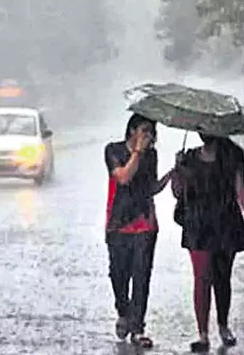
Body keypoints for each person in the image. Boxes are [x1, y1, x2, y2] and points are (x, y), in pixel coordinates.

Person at [171, 133, 244, 353]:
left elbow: (240, 188)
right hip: (197, 224)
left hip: (226, 223)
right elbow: (178, 193)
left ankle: (223, 326)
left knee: (222, 277)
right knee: (202, 278)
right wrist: (178, 170)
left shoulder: (233, 155)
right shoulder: (189, 157)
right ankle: (202, 334)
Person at [103, 113, 173, 348]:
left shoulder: (151, 155)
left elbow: (150, 187)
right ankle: (123, 311)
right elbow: (123, 177)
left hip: (145, 224)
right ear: (132, 130)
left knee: (142, 276)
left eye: (152, 132)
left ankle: (137, 328)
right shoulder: (113, 150)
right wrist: (137, 153)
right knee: (118, 274)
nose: (149, 136)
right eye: (144, 130)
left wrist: (172, 175)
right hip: (118, 224)